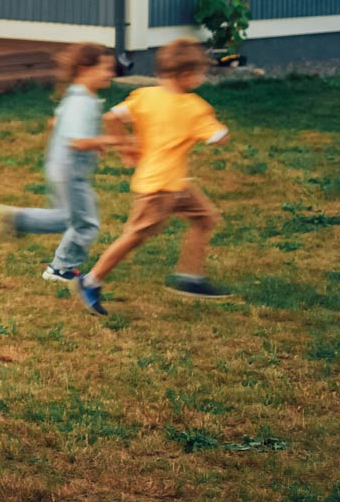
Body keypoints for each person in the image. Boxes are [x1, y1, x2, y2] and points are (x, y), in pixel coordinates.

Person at [77, 37, 233, 315]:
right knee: (135, 235)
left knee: (205, 219)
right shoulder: (195, 107)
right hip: (159, 189)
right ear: (185, 75)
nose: (201, 77)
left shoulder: (145, 96)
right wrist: (218, 131)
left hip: (174, 184)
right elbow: (218, 137)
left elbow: (112, 118)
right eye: (199, 73)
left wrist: (125, 148)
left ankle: (191, 278)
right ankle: (90, 281)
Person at [0, 43, 122, 284]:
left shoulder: (76, 95)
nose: (110, 74)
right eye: (105, 69)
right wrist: (109, 140)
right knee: (86, 225)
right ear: (85, 69)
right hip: (72, 172)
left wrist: (93, 142)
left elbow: (56, 124)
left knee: (66, 217)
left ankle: (16, 219)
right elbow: (78, 140)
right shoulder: (82, 101)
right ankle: (61, 268)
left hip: (61, 167)